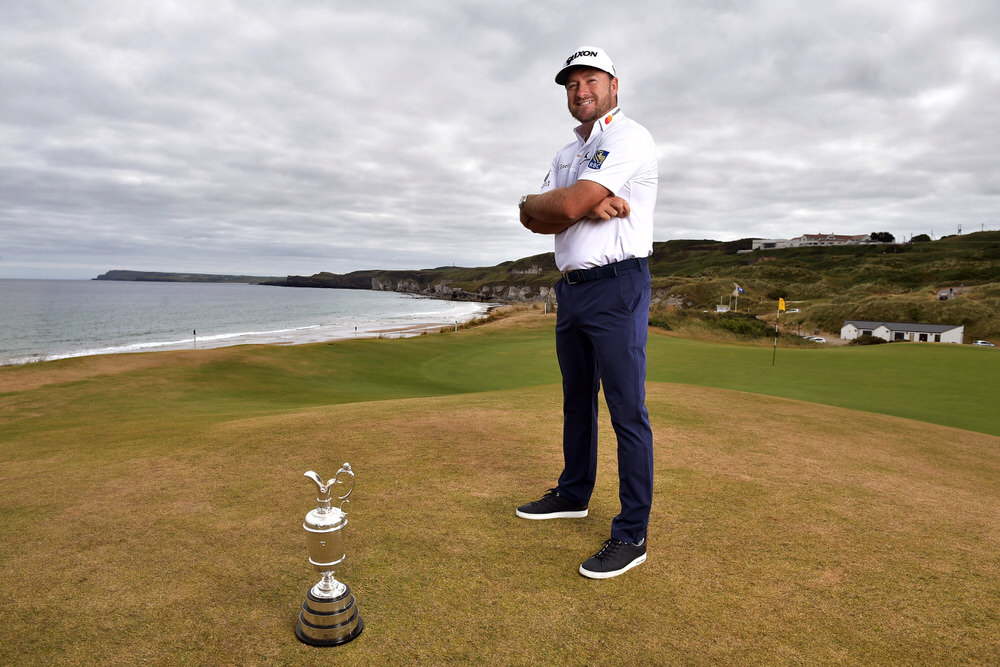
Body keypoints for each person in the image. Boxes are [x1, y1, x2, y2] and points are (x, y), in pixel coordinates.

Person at [516, 46, 658, 580]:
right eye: (572, 84)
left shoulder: (628, 137)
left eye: (590, 80)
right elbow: (533, 219)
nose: (581, 91)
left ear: (613, 85)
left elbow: (565, 209)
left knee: (627, 411)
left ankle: (632, 534)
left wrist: (570, 202)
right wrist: (545, 201)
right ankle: (574, 493)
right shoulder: (566, 152)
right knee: (577, 400)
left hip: (618, 283)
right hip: (572, 288)